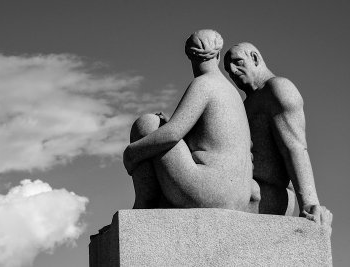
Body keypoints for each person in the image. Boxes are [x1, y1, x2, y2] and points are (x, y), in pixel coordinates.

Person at [123, 30, 260, 211]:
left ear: (190, 56)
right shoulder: (230, 91)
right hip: (238, 197)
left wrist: (131, 153)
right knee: (159, 130)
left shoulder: (204, 83)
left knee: (148, 123)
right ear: (218, 55)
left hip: (209, 189)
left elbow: (173, 134)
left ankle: (143, 206)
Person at [224, 42, 332, 226]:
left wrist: (310, 204)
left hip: (268, 195)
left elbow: (294, 147)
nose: (233, 71)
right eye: (228, 69)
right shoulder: (246, 104)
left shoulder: (278, 88)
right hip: (245, 187)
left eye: (238, 62)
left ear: (255, 58)